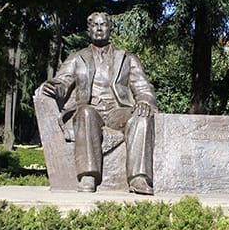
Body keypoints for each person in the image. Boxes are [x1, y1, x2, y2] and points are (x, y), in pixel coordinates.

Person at [41, 11, 157, 194]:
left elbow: (143, 88)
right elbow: (62, 82)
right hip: (90, 109)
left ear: (110, 29)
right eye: (95, 25)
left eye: (103, 24)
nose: (99, 28)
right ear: (89, 30)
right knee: (86, 113)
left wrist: (144, 101)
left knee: (141, 116)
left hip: (117, 111)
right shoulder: (77, 58)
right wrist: (55, 88)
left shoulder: (127, 58)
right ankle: (88, 175)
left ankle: (138, 178)